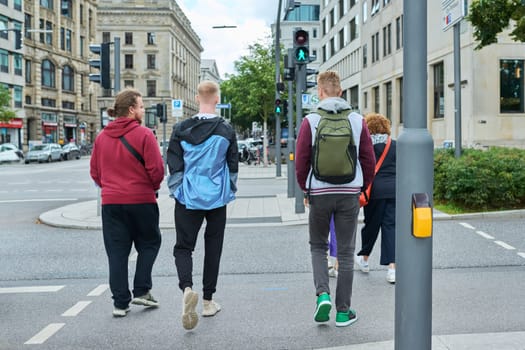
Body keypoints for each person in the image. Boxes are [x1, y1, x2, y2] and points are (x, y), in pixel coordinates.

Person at [295, 71, 376, 327]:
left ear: (319, 92)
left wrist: (305, 190)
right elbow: (368, 160)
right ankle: (343, 311)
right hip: (349, 192)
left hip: (319, 191)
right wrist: (363, 187)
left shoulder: (310, 121)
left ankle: (322, 296)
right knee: (346, 251)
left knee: (318, 246)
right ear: (340, 92)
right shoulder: (356, 120)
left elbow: (301, 162)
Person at [167, 80, 238, 331]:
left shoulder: (180, 128)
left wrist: (178, 191)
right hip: (216, 197)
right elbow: (232, 165)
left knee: (183, 247)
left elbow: (174, 164)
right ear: (217, 99)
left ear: (197, 98)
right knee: (213, 247)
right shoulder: (226, 130)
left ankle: (187, 288)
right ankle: (208, 301)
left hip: (188, 196)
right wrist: (229, 191)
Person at [90, 88, 164, 317]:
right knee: (150, 243)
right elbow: (157, 170)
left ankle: (120, 303)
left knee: (117, 252)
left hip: (111, 204)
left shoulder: (101, 137)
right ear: (132, 110)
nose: (143, 110)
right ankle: (142, 290)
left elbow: (95, 172)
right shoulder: (144, 134)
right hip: (141, 200)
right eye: (141, 106)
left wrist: (111, 188)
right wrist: (152, 186)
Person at [355, 113, 397, 284]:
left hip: (373, 192)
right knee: (391, 227)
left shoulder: (365, 147)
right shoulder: (395, 145)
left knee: (371, 225)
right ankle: (392, 268)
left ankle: (364, 259)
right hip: (395, 190)